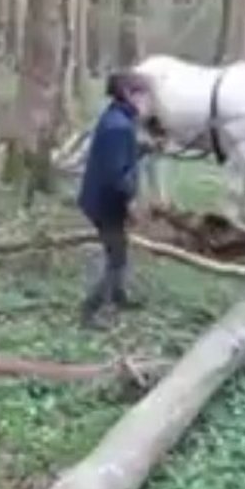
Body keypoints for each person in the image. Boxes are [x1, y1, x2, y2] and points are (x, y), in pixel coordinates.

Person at [77, 70, 154, 330]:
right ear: (129, 95)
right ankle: (90, 311)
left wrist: (141, 149)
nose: (148, 103)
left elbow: (119, 158)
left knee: (118, 250)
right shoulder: (119, 126)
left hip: (105, 198)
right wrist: (130, 203)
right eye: (144, 97)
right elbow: (115, 174)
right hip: (106, 202)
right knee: (116, 256)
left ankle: (119, 296)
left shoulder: (117, 118)